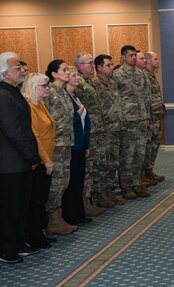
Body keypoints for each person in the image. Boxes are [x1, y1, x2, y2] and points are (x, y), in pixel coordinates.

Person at [0, 52, 41, 263]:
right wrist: (32, 156)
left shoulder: (12, 92)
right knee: (10, 209)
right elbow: (13, 131)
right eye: (17, 68)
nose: (21, 70)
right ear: (5, 73)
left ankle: (17, 243)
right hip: (9, 164)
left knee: (21, 207)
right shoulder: (2, 94)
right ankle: (8, 250)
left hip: (20, 162)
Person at [22, 73, 56, 249]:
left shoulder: (40, 105)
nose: (47, 89)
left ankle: (39, 234)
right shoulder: (30, 107)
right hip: (41, 161)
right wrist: (47, 159)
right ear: (33, 87)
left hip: (47, 159)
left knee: (41, 199)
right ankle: (33, 236)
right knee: (35, 200)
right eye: (44, 86)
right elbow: (35, 137)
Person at [74, 52, 113, 210]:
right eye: (88, 63)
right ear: (79, 66)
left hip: (98, 129)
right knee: (89, 168)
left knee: (100, 164)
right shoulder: (78, 83)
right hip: (89, 132)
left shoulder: (89, 81)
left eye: (91, 62)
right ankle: (86, 201)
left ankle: (100, 194)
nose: (92, 65)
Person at [44, 59, 78, 235]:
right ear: (54, 74)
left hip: (66, 143)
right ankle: (53, 220)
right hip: (55, 144)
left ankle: (59, 216)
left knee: (64, 181)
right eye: (64, 70)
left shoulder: (63, 93)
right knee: (56, 182)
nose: (67, 72)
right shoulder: (48, 92)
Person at [113, 45, 151, 199]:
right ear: (122, 57)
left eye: (135, 55)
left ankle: (137, 183)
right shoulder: (117, 75)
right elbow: (114, 99)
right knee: (127, 155)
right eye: (130, 55)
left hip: (141, 120)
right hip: (127, 121)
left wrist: (147, 116)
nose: (133, 58)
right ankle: (126, 186)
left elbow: (146, 97)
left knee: (139, 154)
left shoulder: (141, 75)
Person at [92, 54, 125, 206]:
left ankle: (109, 192)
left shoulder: (112, 82)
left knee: (113, 163)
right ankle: (101, 194)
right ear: (99, 68)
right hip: (103, 131)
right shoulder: (95, 84)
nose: (112, 67)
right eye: (108, 65)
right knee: (102, 164)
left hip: (116, 129)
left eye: (112, 65)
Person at [62, 66, 92, 225]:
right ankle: (70, 215)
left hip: (80, 144)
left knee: (79, 180)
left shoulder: (76, 96)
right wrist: (79, 111)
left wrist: (86, 144)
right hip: (71, 144)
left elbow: (84, 122)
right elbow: (69, 120)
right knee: (71, 182)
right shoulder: (65, 97)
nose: (77, 78)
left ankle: (79, 213)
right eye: (73, 75)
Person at [141, 51, 166, 184]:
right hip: (149, 117)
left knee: (154, 145)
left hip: (156, 115)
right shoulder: (144, 76)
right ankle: (143, 173)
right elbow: (145, 98)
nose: (157, 61)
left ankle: (149, 171)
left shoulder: (151, 75)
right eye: (155, 59)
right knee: (148, 145)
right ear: (148, 60)